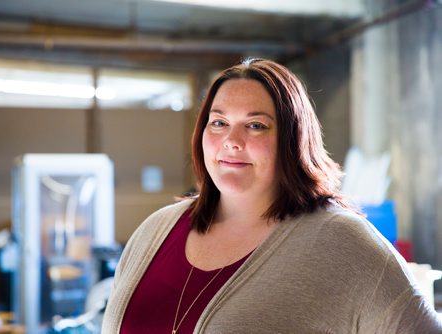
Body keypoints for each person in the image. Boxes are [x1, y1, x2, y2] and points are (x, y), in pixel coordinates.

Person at [102, 58, 442, 333]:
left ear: (293, 140)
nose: (231, 140)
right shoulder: (154, 231)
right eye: (218, 122)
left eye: (256, 125)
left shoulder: (342, 243)